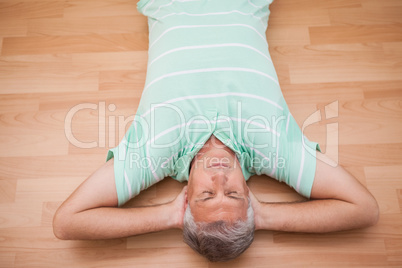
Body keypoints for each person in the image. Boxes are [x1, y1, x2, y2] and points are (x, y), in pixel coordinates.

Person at [53, 0, 379, 262]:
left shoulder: (152, 157)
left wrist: (167, 216)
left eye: (207, 194)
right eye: (234, 194)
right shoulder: (276, 150)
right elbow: (364, 209)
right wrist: (263, 218)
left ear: (185, 201)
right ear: (250, 197)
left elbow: (67, 222)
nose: (220, 179)